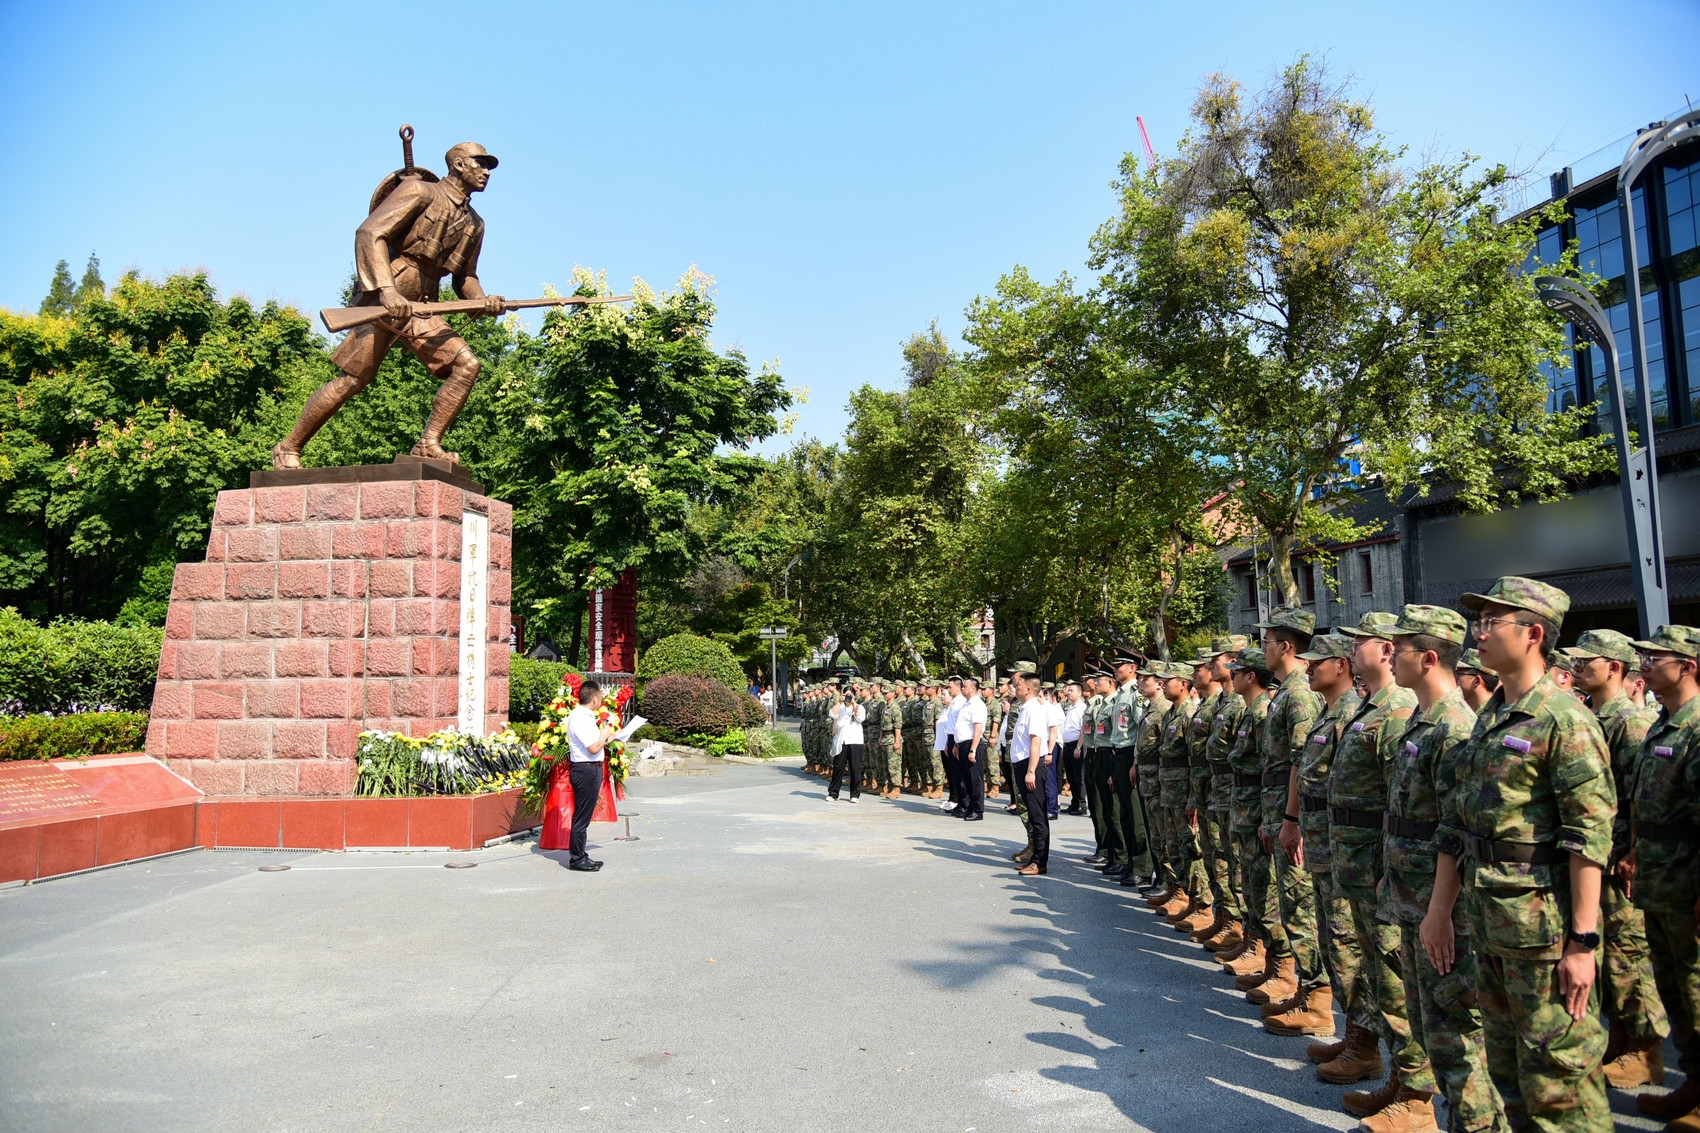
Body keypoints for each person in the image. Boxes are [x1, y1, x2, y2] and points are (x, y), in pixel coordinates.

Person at [1426, 577, 1614, 1132]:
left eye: (1491, 624)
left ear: (1533, 634)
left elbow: (1588, 838)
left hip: (1546, 936)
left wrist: (1582, 943)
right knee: (1509, 1079)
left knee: (1561, 1087)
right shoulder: (1491, 717)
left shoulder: (1564, 719)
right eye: (1476, 623)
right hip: (1493, 925)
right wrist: (1440, 911)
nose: (1477, 635)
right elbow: (1459, 824)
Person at [1382, 605, 1502, 1133]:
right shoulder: (1421, 717)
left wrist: (1439, 912)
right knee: (1428, 1027)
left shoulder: (1454, 728)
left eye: (1400, 649)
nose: (1391, 655)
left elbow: (1455, 832)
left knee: (1454, 1037)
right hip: (1412, 894)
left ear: (1429, 658)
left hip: (1439, 905)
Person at [1327, 614, 1423, 1114]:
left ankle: (1416, 1093)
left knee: (1391, 972)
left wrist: (1388, 863)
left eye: (1358, 642)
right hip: (1358, 859)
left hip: (1377, 864)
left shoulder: (1397, 710)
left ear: (1385, 650)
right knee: (1372, 968)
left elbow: (1398, 798)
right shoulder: (1371, 705)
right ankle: (1378, 1059)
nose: (1350, 651)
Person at [1565, 629, 1668, 1089]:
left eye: (1591, 659)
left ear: (1616, 668)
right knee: (1605, 958)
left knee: (1627, 956)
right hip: (1598, 853)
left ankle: (1647, 1050)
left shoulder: (1629, 721)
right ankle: (1623, 1039)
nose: (1579, 665)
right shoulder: (1590, 714)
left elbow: (1645, 796)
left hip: (1621, 855)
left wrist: (1635, 851)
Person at [1624, 624, 1700, 1130]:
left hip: (1686, 882)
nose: (1645, 663)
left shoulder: (1696, 727)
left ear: (1688, 666)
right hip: (1658, 877)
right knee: (1675, 987)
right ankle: (1693, 1082)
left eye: (1657, 656)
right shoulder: (1663, 723)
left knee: (1696, 986)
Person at [1270, 634, 1362, 1042]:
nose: (1307, 667)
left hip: (1336, 839)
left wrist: (1294, 820)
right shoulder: (1329, 711)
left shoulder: (1350, 713)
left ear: (1341, 665)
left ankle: (1339, 1022)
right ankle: (1317, 999)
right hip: (1320, 832)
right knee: (1320, 925)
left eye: (1317, 662)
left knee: (1339, 936)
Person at [1248, 607, 1323, 1020]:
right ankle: (1293, 979)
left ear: (1286, 646)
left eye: (1266, 642)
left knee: (1297, 900)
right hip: (1276, 808)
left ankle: (1315, 995)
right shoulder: (1286, 691)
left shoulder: (1298, 694)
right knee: (1286, 898)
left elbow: (1300, 762)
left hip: (1288, 813)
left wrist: (1290, 820)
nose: (1263, 649)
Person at [562, 680, 615, 872]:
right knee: (581, 817)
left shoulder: (586, 716)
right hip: (585, 770)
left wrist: (609, 738)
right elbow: (593, 748)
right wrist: (603, 736)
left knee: (584, 816)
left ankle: (581, 854)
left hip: (590, 768)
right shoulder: (580, 718)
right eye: (600, 697)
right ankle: (576, 858)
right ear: (594, 699)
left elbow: (595, 744)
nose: (601, 700)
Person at [1011, 669, 1050, 876]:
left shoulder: (1034, 709)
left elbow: (1036, 742)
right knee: (1034, 814)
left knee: (1037, 816)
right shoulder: (1026, 708)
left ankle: (1039, 862)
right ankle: (1035, 859)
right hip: (1023, 765)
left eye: (1018, 685)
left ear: (1027, 689)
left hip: (1031, 766)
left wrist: (1031, 771)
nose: (1015, 687)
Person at [954, 677, 989, 820]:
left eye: (965, 686)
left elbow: (978, 729)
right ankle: (970, 807)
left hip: (972, 744)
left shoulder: (977, 705)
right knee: (967, 778)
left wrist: (972, 749)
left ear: (973, 689)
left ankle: (978, 810)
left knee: (975, 779)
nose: (963, 688)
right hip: (963, 744)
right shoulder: (966, 704)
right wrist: (957, 745)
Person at [827, 684, 866, 802]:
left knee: (855, 768)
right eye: (846, 694)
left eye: (850, 695)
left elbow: (860, 718)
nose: (848, 697)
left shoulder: (860, 707)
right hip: (841, 740)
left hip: (855, 740)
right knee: (838, 767)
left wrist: (854, 704)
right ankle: (833, 793)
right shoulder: (840, 707)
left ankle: (855, 794)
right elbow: (832, 714)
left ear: (854, 696)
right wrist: (839, 702)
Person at [1061, 681, 1087, 814]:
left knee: (1078, 776)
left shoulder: (1082, 708)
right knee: (1070, 777)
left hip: (1077, 744)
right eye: (1068, 690)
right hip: (1068, 745)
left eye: (1072, 690)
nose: (1069, 693)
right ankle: (1074, 803)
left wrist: (1078, 747)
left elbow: (1083, 729)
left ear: (1079, 692)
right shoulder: (1070, 708)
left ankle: (1082, 805)